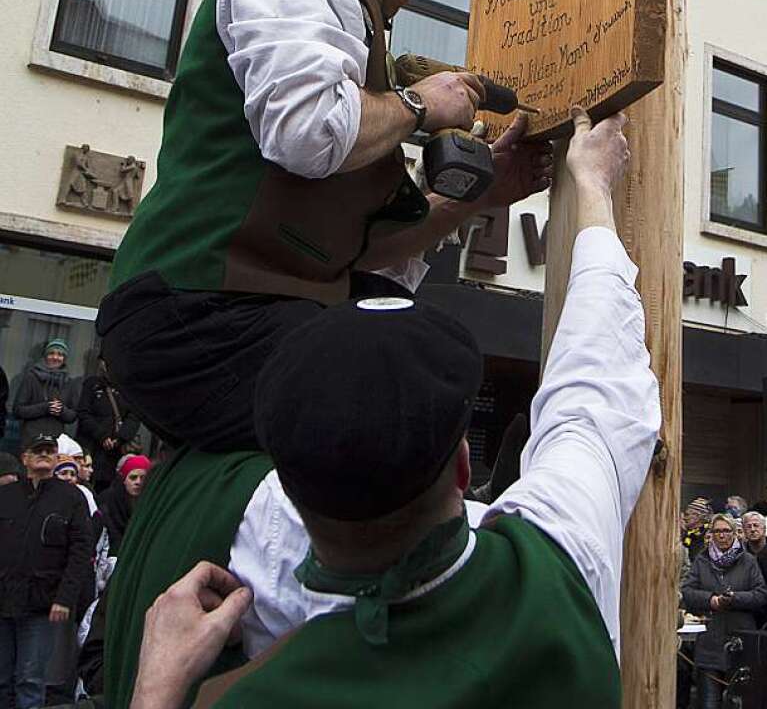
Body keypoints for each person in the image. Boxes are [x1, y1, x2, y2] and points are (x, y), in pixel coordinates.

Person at [105, 108, 660, 709]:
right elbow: (595, 386)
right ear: (463, 468)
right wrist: (593, 187)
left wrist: (155, 691)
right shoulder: (559, 561)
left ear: (284, 486)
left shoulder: (252, 680)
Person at [95, 0, 553, 453]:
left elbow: (366, 256)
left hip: (238, 314)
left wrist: (483, 194)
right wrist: (421, 106)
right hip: (199, 315)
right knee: (409, 373)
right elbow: (309, 132)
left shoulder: (351, 61)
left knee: (412, 337)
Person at [0, 434, 92, 709]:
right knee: (1, 679)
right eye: (37, 450)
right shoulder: (5, 495)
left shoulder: (72, 498)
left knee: (31, 680)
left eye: (49, 451)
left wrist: (65, 598)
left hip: (42, 603)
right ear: (24, 458)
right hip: (2, 599)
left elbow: (80, 552)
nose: (44, 455)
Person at [682, 513, 767, 709]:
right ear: (711, 534)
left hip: (740, 645)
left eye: (726, 531)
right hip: (710, 644)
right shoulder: (701, 560)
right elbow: (687, 591)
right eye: (717, 531)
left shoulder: (748, 561)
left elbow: (761, 595)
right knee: (708, 704)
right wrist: (711, 600)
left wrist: (735, 598)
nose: (722, 535)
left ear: (735, 534)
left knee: (738, 704)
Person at [77, 363, 142, 494]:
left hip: (116, 451)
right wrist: (102, 435)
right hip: (91, 447)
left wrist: (120, 438)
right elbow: (83, 413)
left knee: (109, 488)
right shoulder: (92, 384)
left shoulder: (128, 387)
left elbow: (134, 416)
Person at [12, 339, 80, 450]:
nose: (55, 357)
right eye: (51, 353)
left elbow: (73, 416)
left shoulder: (69, 382)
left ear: (64, 359)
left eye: (60, 355)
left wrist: (61, 410)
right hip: (31, 439)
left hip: (56, 441)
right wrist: (45, 407)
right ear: (45, 356)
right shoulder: (31, 377)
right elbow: (18, 410)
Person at [98, 455, 151, 557]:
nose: (138, 482)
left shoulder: (151, 502)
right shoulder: (108, 500)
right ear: (124, 479)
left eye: (143, 478)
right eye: (133, 478)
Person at [681, 497, 712, 562]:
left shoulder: (707, 535)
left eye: (687, 515)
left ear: (698, 516)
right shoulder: (689, 534)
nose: (684, 518)